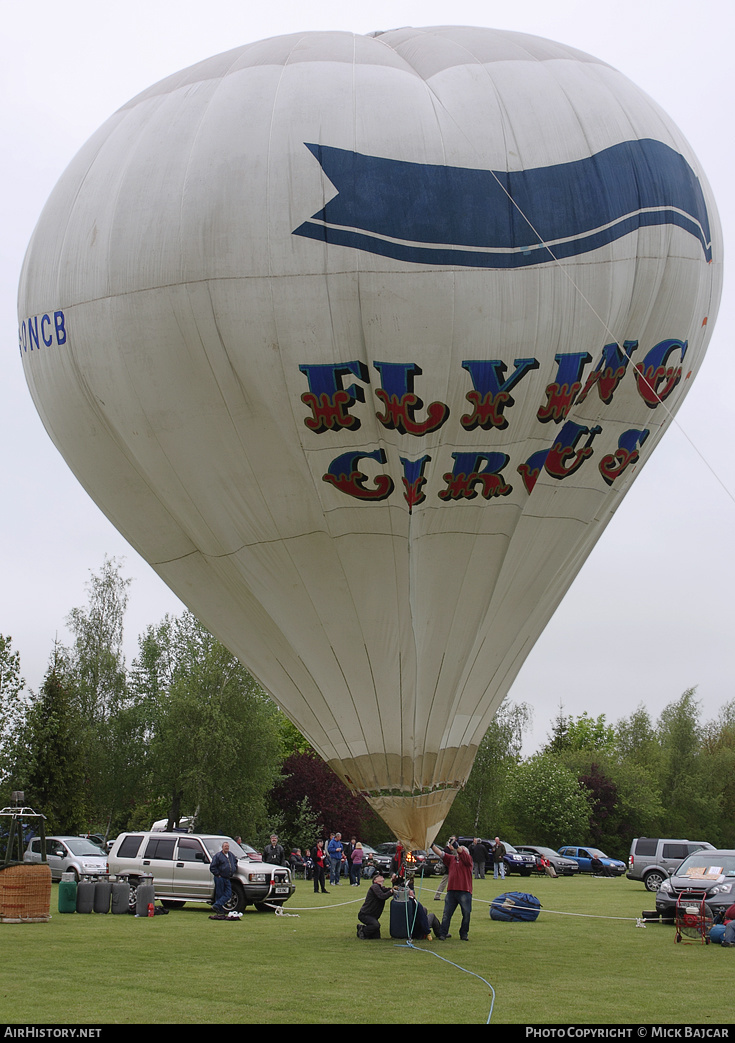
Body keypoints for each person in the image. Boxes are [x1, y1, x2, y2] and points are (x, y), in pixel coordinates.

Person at [431, 839, 473, 941]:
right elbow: (441, 854)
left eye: (460, 851)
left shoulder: (468, 860)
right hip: (451, 892)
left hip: (465, 891)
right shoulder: (452, 859)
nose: (458, 852)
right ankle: (443, 933)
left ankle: (464, 934)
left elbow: (462, 852)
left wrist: (456, 845)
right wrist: (431, 845)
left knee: (466, 914)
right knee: (447, 914)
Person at [357, 872, 394, 939]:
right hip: (365, 914)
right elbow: (382, 896)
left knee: (376, 937)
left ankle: (364, 930)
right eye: (379, 876)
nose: (381, 877)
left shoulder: (381, 888)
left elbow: (388, 890)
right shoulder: (374, 887)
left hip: (373, 915)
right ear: (375, 881)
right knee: (376, 926)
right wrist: (391, 891)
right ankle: (362, 930)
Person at [210, 840, 238, 914]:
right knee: (219, 894)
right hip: (220, 878)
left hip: (227, 877)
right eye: (225, 846)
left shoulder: (231, 855)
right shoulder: (218, 856)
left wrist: (234, 868)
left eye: (228, 846)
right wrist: (218, 874)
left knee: (228, 894)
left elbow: (235, 861)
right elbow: (212, 867)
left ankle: (216, 905)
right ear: (222, 847)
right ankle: (219, 910)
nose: (227, 848)